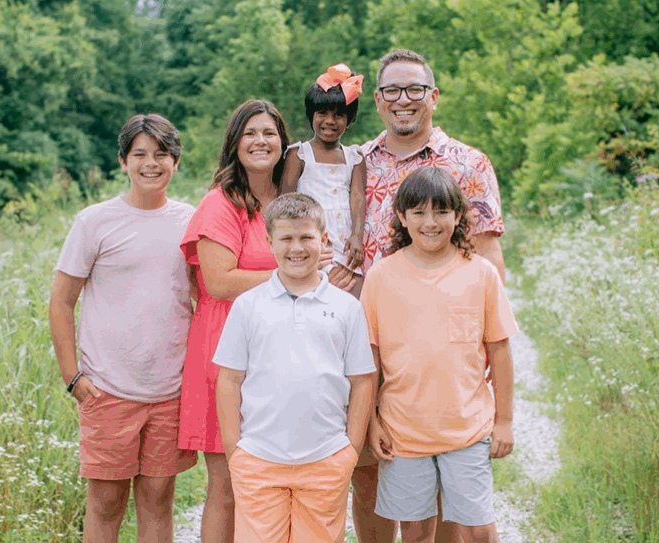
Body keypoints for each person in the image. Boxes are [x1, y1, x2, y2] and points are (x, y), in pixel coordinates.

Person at [347, 49, 510, 543]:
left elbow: (489, 262)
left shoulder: (469, 163)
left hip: (446, 353)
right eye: (392, 90)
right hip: (370, 341)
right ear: (378, 100)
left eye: (415, 89)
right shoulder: (358, 163)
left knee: (449, 489)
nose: (404, 99)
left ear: (433, 96)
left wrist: (482, 348)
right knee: (368, 470)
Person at [50, 113, 198, 543]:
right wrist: (71, 376)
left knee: (158, 498)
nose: (151, 163)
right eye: (140, 154)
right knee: (106, 501)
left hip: (170, 389)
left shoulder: (190, 221)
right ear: (122, 161)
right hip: (107, 387)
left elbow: (201, 292)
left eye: (162, 154)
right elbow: (61, 301)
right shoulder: (94, 221)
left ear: (176, 162)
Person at [360, 167, 517, 543]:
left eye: (441, 212)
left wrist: (504, 421)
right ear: (402, 217)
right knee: (415, 533)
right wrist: (372, 422)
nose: (430, 223)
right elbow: (369, 362)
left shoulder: (480, 274)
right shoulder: (381, 277)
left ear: (458, 215)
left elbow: (500, 351)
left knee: (478, 530)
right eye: (418, 212)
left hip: (467, 430)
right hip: (402, 433)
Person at [213, 193, 377, 543]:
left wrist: (350, 449)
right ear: (269, 242)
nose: (297, 248)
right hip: (258, 458)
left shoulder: (347, 308)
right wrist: (234, 450)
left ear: (324, 239)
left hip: (326, 458)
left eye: (306, 237)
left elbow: (363, 380)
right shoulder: (247, 306)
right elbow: (229, 379)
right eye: (286, 238)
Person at [177, 99, 290, 543]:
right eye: (250, 133)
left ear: (283, 142)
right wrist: (292, 273)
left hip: (279, 352)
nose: (260, 141)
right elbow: (219, 281)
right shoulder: (220, 203)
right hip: (225, 350)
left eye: (269, 133)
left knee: (274, 485)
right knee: (228, 485)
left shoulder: (290, 200)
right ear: (235, 143)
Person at [282, 63, 369, 296]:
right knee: (315, 295)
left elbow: (358, 199)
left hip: (346, 244)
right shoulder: (299, 155)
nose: (330, 120)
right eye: (322, 113)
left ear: (350, 119)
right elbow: (285, 202)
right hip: (312, 241)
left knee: (353, 291)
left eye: (338, 115)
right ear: (311, 115)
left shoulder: (355, 157)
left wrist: (357, 237)